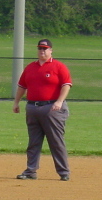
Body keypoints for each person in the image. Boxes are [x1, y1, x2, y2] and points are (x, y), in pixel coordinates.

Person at [13, 39, 72, 181]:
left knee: (56, 141)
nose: (42, 51)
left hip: (52, 108)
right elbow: (22, 86)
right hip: (33, 107)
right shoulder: (30, 67)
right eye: (40, 48)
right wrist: (16, 102)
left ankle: (64, 172)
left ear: (51, 50)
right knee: (33, 141)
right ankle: (30, 171)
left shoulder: (58, 66)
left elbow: (66, 85)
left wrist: (59, 101)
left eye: (45, 48)